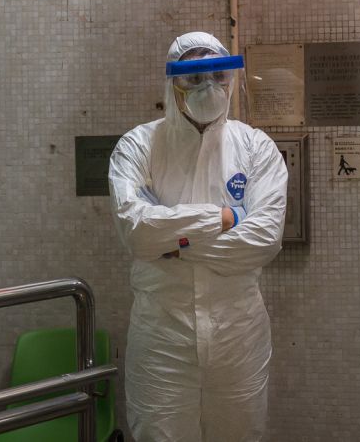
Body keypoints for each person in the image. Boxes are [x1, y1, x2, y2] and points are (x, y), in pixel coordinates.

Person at [108, 31, 288, 442]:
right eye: (193, 76)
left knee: (240, 434)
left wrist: (172, 241)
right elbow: (136, 232)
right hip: (162, 335)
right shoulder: (138, 146)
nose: (208, 86)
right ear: (172, 82)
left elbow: (264, 240)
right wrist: (227, 216)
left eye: (217, 75)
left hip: (237, 334)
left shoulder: (256, 147)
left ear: (230, 79)